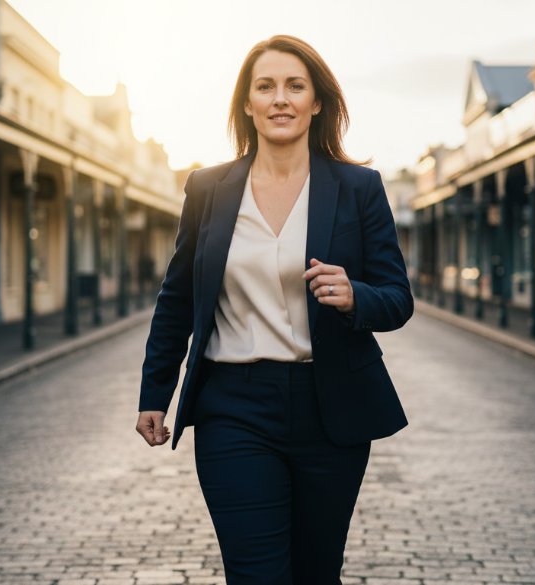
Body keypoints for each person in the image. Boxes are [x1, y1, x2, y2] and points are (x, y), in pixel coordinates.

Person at [136, 34, 413, 583]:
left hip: (329, 406)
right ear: (247, 102)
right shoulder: (208, 188)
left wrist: (357, 295)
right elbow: (178, 298)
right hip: (232, 407)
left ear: (316, 102)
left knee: (316, 573)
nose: (280, 98)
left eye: (295, 86)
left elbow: (397, 298)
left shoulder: (359, 188)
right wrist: (154, 393)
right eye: (266, 86)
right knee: (255, 574)